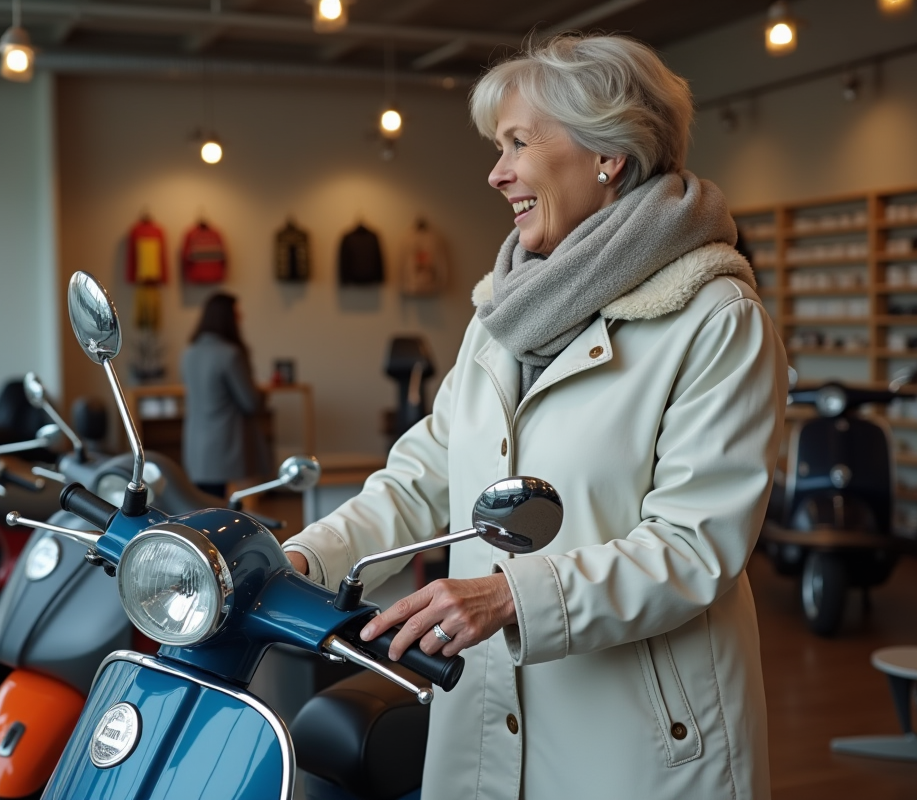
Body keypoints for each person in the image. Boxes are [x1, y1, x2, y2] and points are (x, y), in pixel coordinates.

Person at [282, 33, 785, 800]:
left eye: (517, 142)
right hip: (485, 713)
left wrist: (514, 595)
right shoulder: (502, 315)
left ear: (607, 153)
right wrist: (303, 560)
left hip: (640, 738)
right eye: (498, 145)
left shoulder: (715, 319)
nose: (496, 171)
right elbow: (423, 478)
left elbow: (697, 545)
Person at [180, 292, 262, 498]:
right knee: (226, 511)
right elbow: (250, 402)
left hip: (195, 447)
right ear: (227, 318)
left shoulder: (190, 352)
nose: (241, 318)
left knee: (203, 509)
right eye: (237, 313)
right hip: (223, 446)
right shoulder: (230, 354)